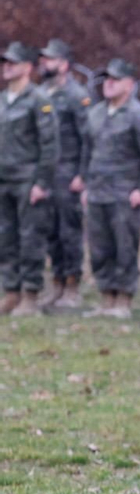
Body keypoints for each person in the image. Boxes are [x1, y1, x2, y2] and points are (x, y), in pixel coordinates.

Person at [81, 59, 140, 318]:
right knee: (99, 247)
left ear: (129, 84)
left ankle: (123, 299)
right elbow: (88, 151)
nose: (109, 84)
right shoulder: (96, 113)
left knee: (124, 246)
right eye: (107, 79)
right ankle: (106, 297)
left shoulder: (138, 115)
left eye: (115, 80)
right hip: (98, 190)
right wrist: (85, 183)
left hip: (124, 192)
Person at [0, 42, 61, 317]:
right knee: (5, 237)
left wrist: (42, 183)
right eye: (5, 62)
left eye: (12, 63)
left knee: (30, 238)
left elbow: (50, 145)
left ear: (27, 67)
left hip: (27, 180)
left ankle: (30, 294)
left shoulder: (39, 100)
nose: (6, 67)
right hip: (3, 179)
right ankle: (11, 291)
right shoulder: (3, 99)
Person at [37, 38, 91, 311]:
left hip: (68, 171)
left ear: (64, 64)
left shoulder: (76, 95)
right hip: (46, 172)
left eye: (51, 59)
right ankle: (56, 282)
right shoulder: (40, 93)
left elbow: (87, 138)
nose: (45, 63)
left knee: (69, 231)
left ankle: (72, 285)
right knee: (50, 231)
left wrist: (83, 174)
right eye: (44, 59)